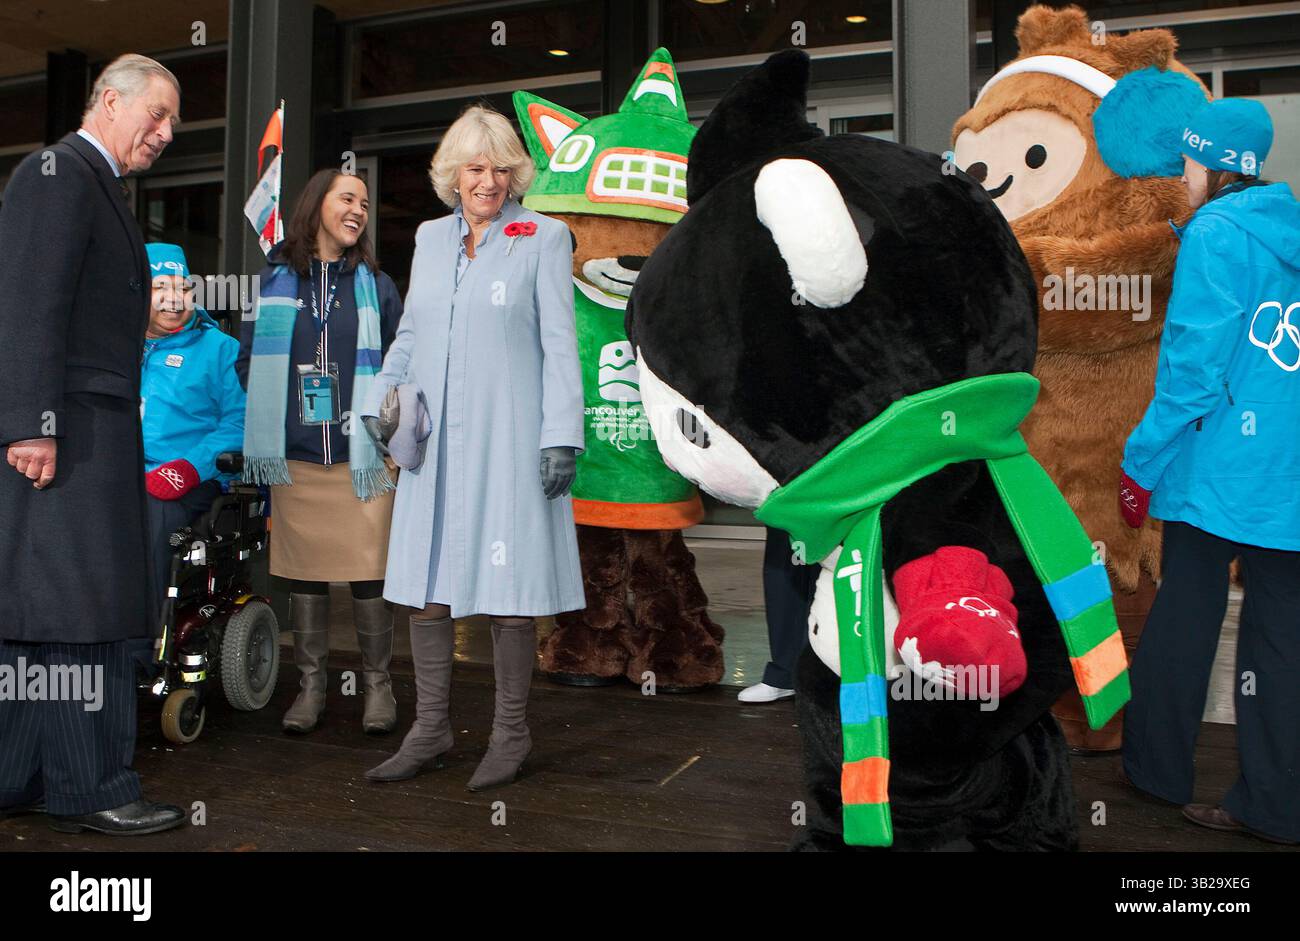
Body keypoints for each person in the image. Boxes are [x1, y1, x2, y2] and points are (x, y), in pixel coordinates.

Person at [362, 104, 585, 791]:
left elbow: (558, 344)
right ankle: (430, 728)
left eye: (499, 169)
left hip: (509, 440)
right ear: (453, 175)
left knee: (508, 589)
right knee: (426, 587)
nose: (487, 181)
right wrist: (379, 402)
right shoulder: (430, 238)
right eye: (474, 168)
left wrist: (560, 436)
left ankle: (511, 734)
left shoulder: (541, 236)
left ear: (517, 175)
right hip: (432, 443)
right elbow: (410, 334)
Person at [0, 54, 185, 835]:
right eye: (159, 114)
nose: (167, 134)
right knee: (81, 603)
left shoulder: (87, 180)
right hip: (65, 429)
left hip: (87, 425)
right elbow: (27, 300)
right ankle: (92, 783)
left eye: (173, 122)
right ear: (109, 101)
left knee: (48, 604)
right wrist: (29, 423)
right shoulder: (60, 173)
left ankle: (26, 776)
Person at [1119, 98, 1300, 846]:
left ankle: (1157, 770)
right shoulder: (1287, 228)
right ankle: (1277, 803)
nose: (1179, 176)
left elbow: (1193, 375)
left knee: (1183, 619)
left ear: (1222, 166)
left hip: (1218, 472)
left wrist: (1138, 461)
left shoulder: (1218, 236)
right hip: (1285, 478)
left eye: (1188, 163)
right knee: (1282, 640)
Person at [236, 170, 403, 736]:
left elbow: (402, 371)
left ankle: (378, 686)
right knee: (304, 577)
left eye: (364, 202)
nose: (358, 210)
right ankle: (311, 686)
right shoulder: (275, 280)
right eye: (347, 199)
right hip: (296, 458)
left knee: (369, 576)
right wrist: (278, 414)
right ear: (316, 206)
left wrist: (390, 435)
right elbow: (247, 359)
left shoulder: (378, 285)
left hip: (364, 463)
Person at [142, 242, 245, 604]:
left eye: (183, 288)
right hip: (122, 475)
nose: (174, 298)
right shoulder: (115, 346)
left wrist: (187, 468)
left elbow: (240, 423)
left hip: (190, 479)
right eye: (161, 287)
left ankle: (143, 647)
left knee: (149, 519)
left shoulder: (220, 348)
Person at [738, 527, 816, 703]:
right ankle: (785, 674)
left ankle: (819, 677)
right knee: (784, 578)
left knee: (829, 579)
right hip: (788, 505)